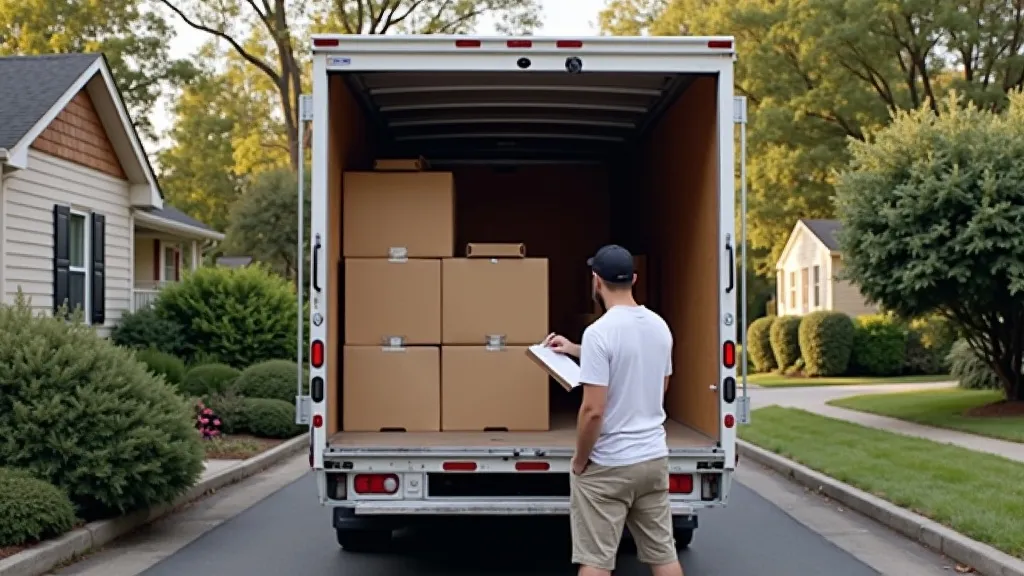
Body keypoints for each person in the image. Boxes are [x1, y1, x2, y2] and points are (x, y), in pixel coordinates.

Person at [543, 244, 683, 576]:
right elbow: (658, 384)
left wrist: (579, 461)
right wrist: (575, 349)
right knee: (664, 556)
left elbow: (593, 410)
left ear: (596, 281)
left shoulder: (600, 332)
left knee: (596, 561)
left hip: (609, 465)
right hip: (652, 459)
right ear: (633, 279)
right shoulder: (659, 326)